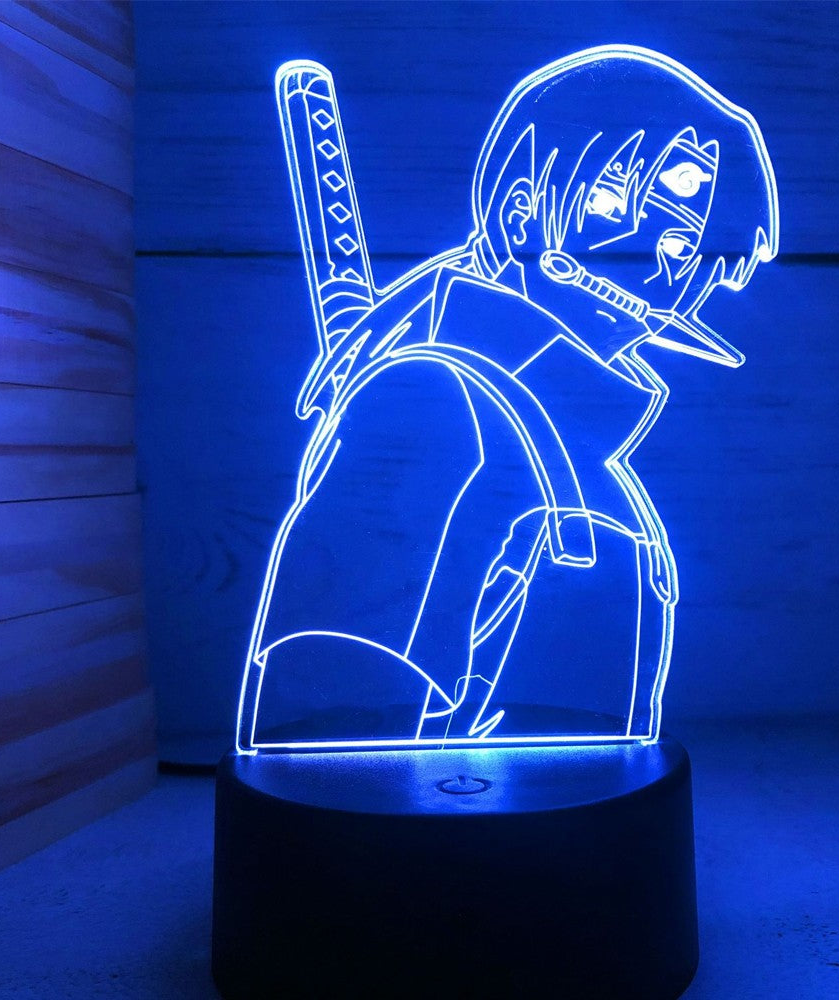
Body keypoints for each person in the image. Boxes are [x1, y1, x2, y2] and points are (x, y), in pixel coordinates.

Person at [235, 45, 778, 751]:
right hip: (405, 823)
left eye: (683, 244)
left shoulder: (594, 474)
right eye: (610, 202)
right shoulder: (431, 409)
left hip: (571, 820)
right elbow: (321, 736)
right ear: (521, 214)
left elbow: (599, 750)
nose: (651, 263)